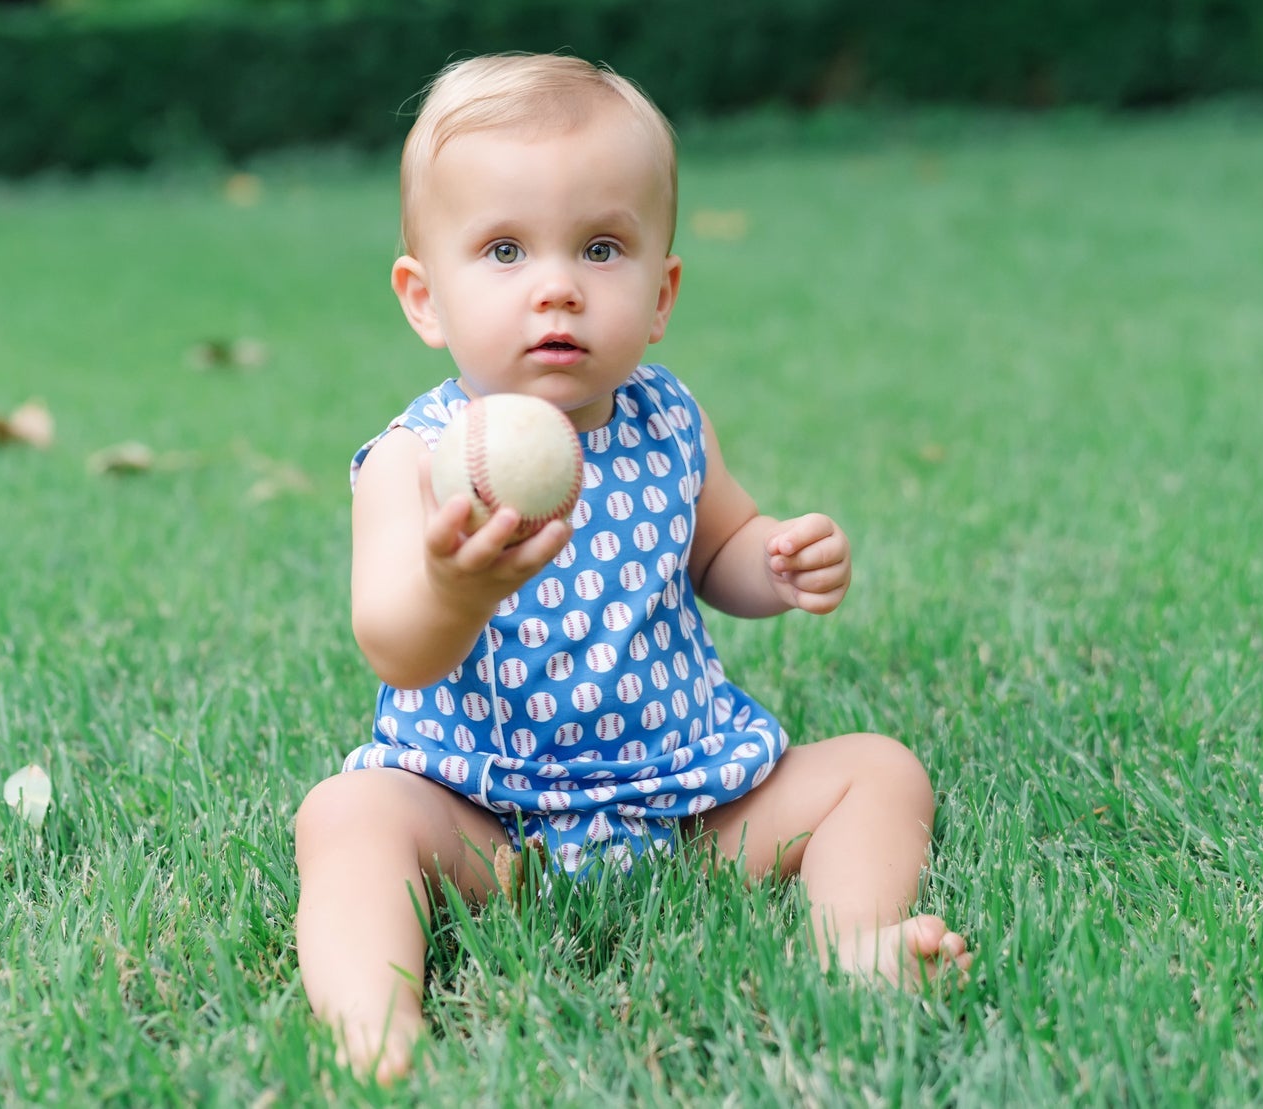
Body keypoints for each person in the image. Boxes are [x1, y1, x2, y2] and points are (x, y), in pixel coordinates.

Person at [293, 53, 970, 1082]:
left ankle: (853, 948)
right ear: (423, 299)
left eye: (600, 248)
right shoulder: (411, 459)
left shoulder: (667, 422)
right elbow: (393, 644)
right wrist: (455, 591)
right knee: (345, 817)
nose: (557, 286)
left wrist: (775, 562)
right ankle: (371, 1029)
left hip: (684, 802)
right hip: (486, 822)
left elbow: (718, 553)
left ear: (659, 294)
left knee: (877, 770)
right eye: (505, 249)